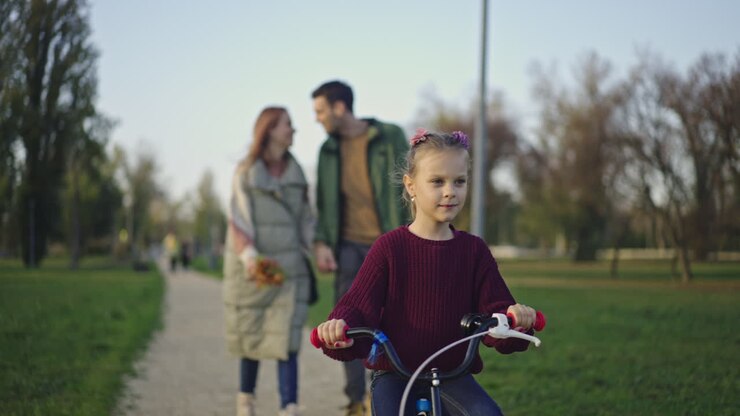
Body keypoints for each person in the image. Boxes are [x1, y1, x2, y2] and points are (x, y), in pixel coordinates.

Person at [315, 129, 539, 416]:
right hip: (395, 374)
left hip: (452, 373)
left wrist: (516, 320)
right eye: (437, 181)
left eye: (459, 181)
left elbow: (497, 312)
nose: (450, 191)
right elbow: (357, 307)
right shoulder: (390, 248)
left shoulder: (473, 251)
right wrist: (339, 329)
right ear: (411, 186)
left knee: (487, 414)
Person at [311, 80, 411, 415]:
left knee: (393, 322)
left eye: (321, 111)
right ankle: (356, 401)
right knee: (346, 324)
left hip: (389, 242)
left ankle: (384, 394)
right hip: (348, 246)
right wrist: (323, 242)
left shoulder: (390, 136)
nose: (317, 118)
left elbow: (409, 187)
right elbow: (324, 201)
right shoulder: (327, 150)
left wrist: (410, 235)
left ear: (340, 108)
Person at [223, 107, 314, 416]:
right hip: (254, 269)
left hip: (289, 270)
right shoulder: (246, 171)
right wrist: (250, 257)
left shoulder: (296, 172)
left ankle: (289, 408)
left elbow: (305, 220)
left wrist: (318, 249)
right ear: (270, 129)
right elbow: (238, 219)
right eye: (287, 125)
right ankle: (245, 404)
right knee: (252, 336)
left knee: (287, 340)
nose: (293, 130)